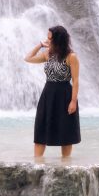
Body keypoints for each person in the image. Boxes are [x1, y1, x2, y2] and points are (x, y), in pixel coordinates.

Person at [24, 25, 81, 157]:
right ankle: (37, 165)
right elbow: (28, 58)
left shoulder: (71, 57)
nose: (48, 40)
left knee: (66, 134)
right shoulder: (48, 54)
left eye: (50, 38)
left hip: (65, 95)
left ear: (58, 39)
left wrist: (73, 101)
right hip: (48, 94)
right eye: (47, 37)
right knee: (40, 131)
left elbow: (76, 80)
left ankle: (65, 165)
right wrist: (40, 45)